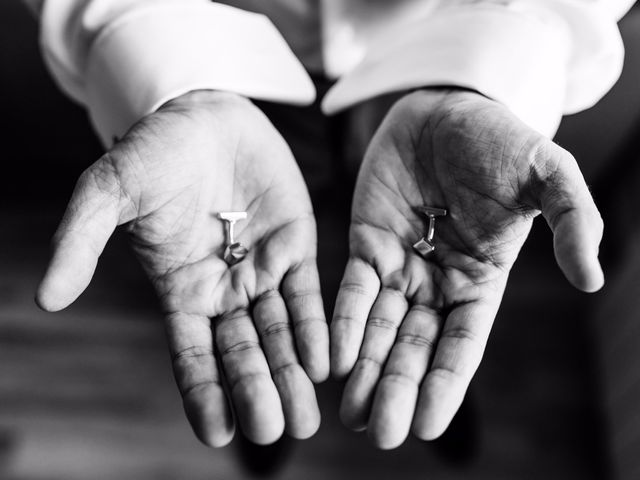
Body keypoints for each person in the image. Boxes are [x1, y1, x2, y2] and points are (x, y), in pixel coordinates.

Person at [24, 0, 634, 450]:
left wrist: (498, 65)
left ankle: (436, 387)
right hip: (229, 56)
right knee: (264, 302)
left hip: (443, 51)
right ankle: (267, 421)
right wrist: (169, 69)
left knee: (439, 282)